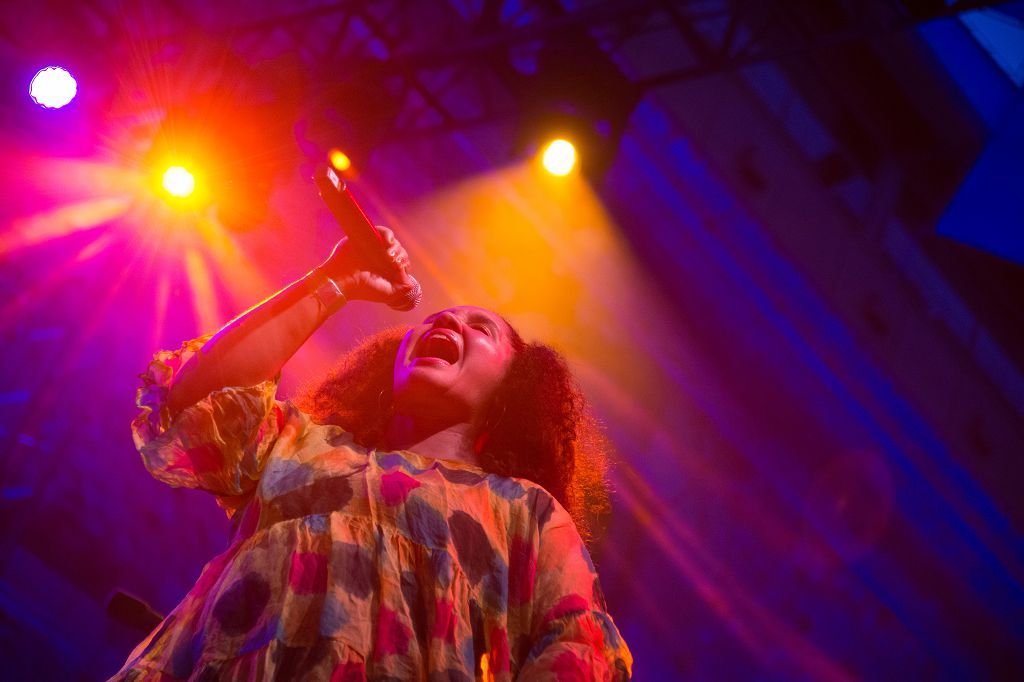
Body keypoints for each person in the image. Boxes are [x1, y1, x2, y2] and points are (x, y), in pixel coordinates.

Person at [110, 228, 633, 680]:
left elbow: (576, 648)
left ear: (512, 390)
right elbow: (196, 400)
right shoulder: (298, 444)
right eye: (436, 318)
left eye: (481, 327)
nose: (445, 324)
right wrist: (334, 280)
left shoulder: (525, 511)